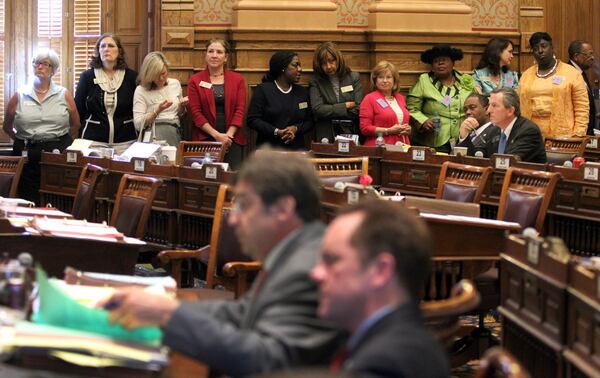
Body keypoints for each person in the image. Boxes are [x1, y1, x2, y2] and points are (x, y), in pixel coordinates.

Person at [101, 150, 343, 377]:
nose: (234, 219)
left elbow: (267, 360)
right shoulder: (295, 251)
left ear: (283, 208)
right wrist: (166, 305)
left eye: (245, 205)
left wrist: (169, 315)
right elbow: (242, 312)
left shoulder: (307, 267)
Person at [311, 200, 449, 377]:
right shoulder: (382, 340)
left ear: (380, 270)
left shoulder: (387, 365)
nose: (315, 273)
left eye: (331, 260)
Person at [3, 49, 79, 204]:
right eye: (36, 63)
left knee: (57, 197)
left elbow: (75, 124)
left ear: (53, 70)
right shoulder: (20, 94)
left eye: (45, 64)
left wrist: (59, 141)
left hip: (57, 151)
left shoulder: (64, 94)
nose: (39, 67)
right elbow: (7, 126)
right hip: (27, 153)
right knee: (27, 197)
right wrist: (22, 140)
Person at [74, 33, 138, 155]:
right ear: (98, 51)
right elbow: (79, 109)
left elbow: (136, 108)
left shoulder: (131, 77)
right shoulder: (87, 77)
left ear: (119, 51)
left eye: (110, 46)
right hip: (93, 140)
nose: (106, 49)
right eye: (102, 46)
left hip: (125, 140)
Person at [188, 39, 247, 169]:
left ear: (226, 57)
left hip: (232, 139)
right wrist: (217, 136)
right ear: (206, 55)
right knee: (207, 180)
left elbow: (240, 110)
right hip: (205, 138)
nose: (214, 55)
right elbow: (196, 113)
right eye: (211, 51)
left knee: (232, 181)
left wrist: (227, 137)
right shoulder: (195, 80)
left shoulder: (238, 80)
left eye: (219, 52)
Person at [407, 44, 475, 154]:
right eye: (436, 61)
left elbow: (476, 105)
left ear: (453, 63)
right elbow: (411, 108)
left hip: (463, 137)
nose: (440, 63)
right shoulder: (425, 81)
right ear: (432, 67)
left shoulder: (465, 81)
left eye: (444, 60)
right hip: (435, 140)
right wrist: (423, 121)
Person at [519, 32, 589, 138]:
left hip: (563, 135)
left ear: (552, 47)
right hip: (530, 135)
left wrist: (578, 133)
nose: (540, 51)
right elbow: (519, 106)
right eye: (535, 48)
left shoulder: (571, 73)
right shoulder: (526, 75)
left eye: (543, 46)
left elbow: (582, 106)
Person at [247, 51, 312, 150]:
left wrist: (296, 129)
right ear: (282, 68)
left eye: (300, 65)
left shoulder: (302, 92)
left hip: (296, 152)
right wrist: (276, 131)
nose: (300, 69)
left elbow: (310, 121)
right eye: (295, 65)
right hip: (268, 150)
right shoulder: (263, 90)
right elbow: (252, 120)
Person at [461, 88, 547, 163]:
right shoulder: (494, 130)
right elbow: (476, 157)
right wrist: (464, 136)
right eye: (490, 105)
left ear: (510, 111)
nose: (489, 110)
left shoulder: (528, 131)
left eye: (494, 105)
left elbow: (508, 163)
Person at [309, 42, 363, 142]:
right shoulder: (316, 81)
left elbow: (358, 109)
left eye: (331, 61)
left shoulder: (353, 77)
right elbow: (317, 109)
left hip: (350, 133)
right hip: (325, 134)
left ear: (338, 59)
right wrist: (344, 106)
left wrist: (329, 110)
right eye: (324, 63)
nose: (328, 66)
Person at [133, 51, 187, 147]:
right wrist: (157, 110)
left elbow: (180, 114)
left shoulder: (175, 84)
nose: (161, 78)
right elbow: (138, 124)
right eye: (156, 76)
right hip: (152, 135)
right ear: (148, 75)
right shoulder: (141, 90)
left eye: (164, 73)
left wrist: (182, 106)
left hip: (173, 132)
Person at [359, 60, 411, 146]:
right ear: (375, 80)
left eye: (389, 77)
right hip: (379, 147)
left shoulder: (400, 98)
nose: (385, 80)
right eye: (380, 77)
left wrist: (408, 129)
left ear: (394, 80)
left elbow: (402, 121)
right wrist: (388, 131)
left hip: (402, 146)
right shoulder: (369, 98)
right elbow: (365, 128)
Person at [568, 40, 597, 135]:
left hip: (586, 131)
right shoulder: (568, 74)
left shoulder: (581, 73)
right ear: (576, 56)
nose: (592, 58)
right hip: (575, 133)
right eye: (589, 54)